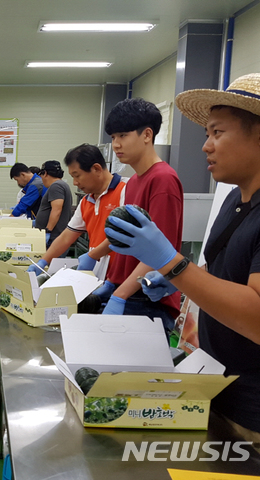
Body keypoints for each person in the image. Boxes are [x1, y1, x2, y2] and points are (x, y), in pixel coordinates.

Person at [105, 73, 260, 456]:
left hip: (258, 414)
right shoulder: (235, 201)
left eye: (217, 133)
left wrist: (173, 266)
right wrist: (192, 303)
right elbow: (226, 274)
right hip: (217, 389)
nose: (205, 147)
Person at [97, 98, 183, 335]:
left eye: (123, 135)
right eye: (113, 137)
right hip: (126, 290)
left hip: (146, 298)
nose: (116, 144)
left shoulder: (163, 179)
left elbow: (160, 251)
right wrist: (112, 282)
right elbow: (126, 240)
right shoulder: (134, 181)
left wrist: (120, 295)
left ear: (147, 135)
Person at [28, 144, 127, 275]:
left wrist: (91, 255)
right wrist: (43, 262)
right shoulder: (86, 201)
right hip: (99, 274)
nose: (75, 182)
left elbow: (123, 233)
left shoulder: (125, 190)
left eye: (77, 175)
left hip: (123, 276)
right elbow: (66, 237)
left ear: (96, 169)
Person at [34, 160, 72, 248]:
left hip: (54, 237)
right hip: (56, 236)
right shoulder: (61, 185)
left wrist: (48, 231)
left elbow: (57, 210)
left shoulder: (56, 186)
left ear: (45, 173)